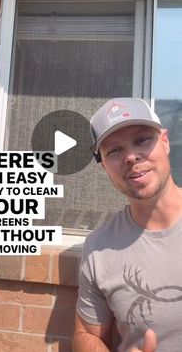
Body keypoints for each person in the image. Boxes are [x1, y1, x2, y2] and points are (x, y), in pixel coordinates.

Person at [72, 97, 182, 352]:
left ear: (164, 141)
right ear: (104, 166)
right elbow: (86, 335)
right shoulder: (100, 248)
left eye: (142, 140)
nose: (131, 156)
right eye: (114, 151)